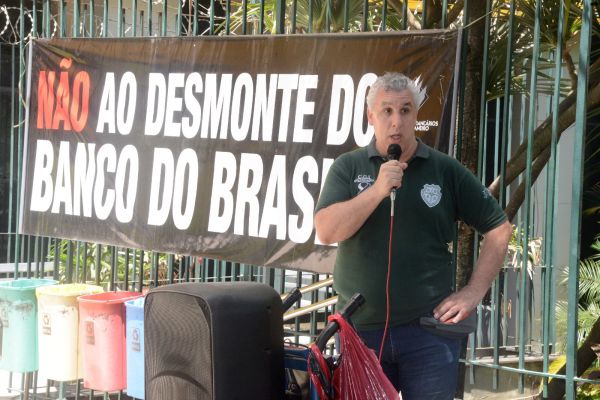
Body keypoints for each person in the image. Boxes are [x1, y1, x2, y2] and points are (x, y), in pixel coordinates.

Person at [314, 72, 512, 400]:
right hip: (361, 333)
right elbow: (326, 230)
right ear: (371, 116)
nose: (397, 121)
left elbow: (499, 228)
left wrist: (473, 293)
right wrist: (377, 190)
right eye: (387, 111)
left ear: (416, 115)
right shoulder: (348, 167)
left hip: (429, 335)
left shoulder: (444, 169)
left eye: (405, 110)